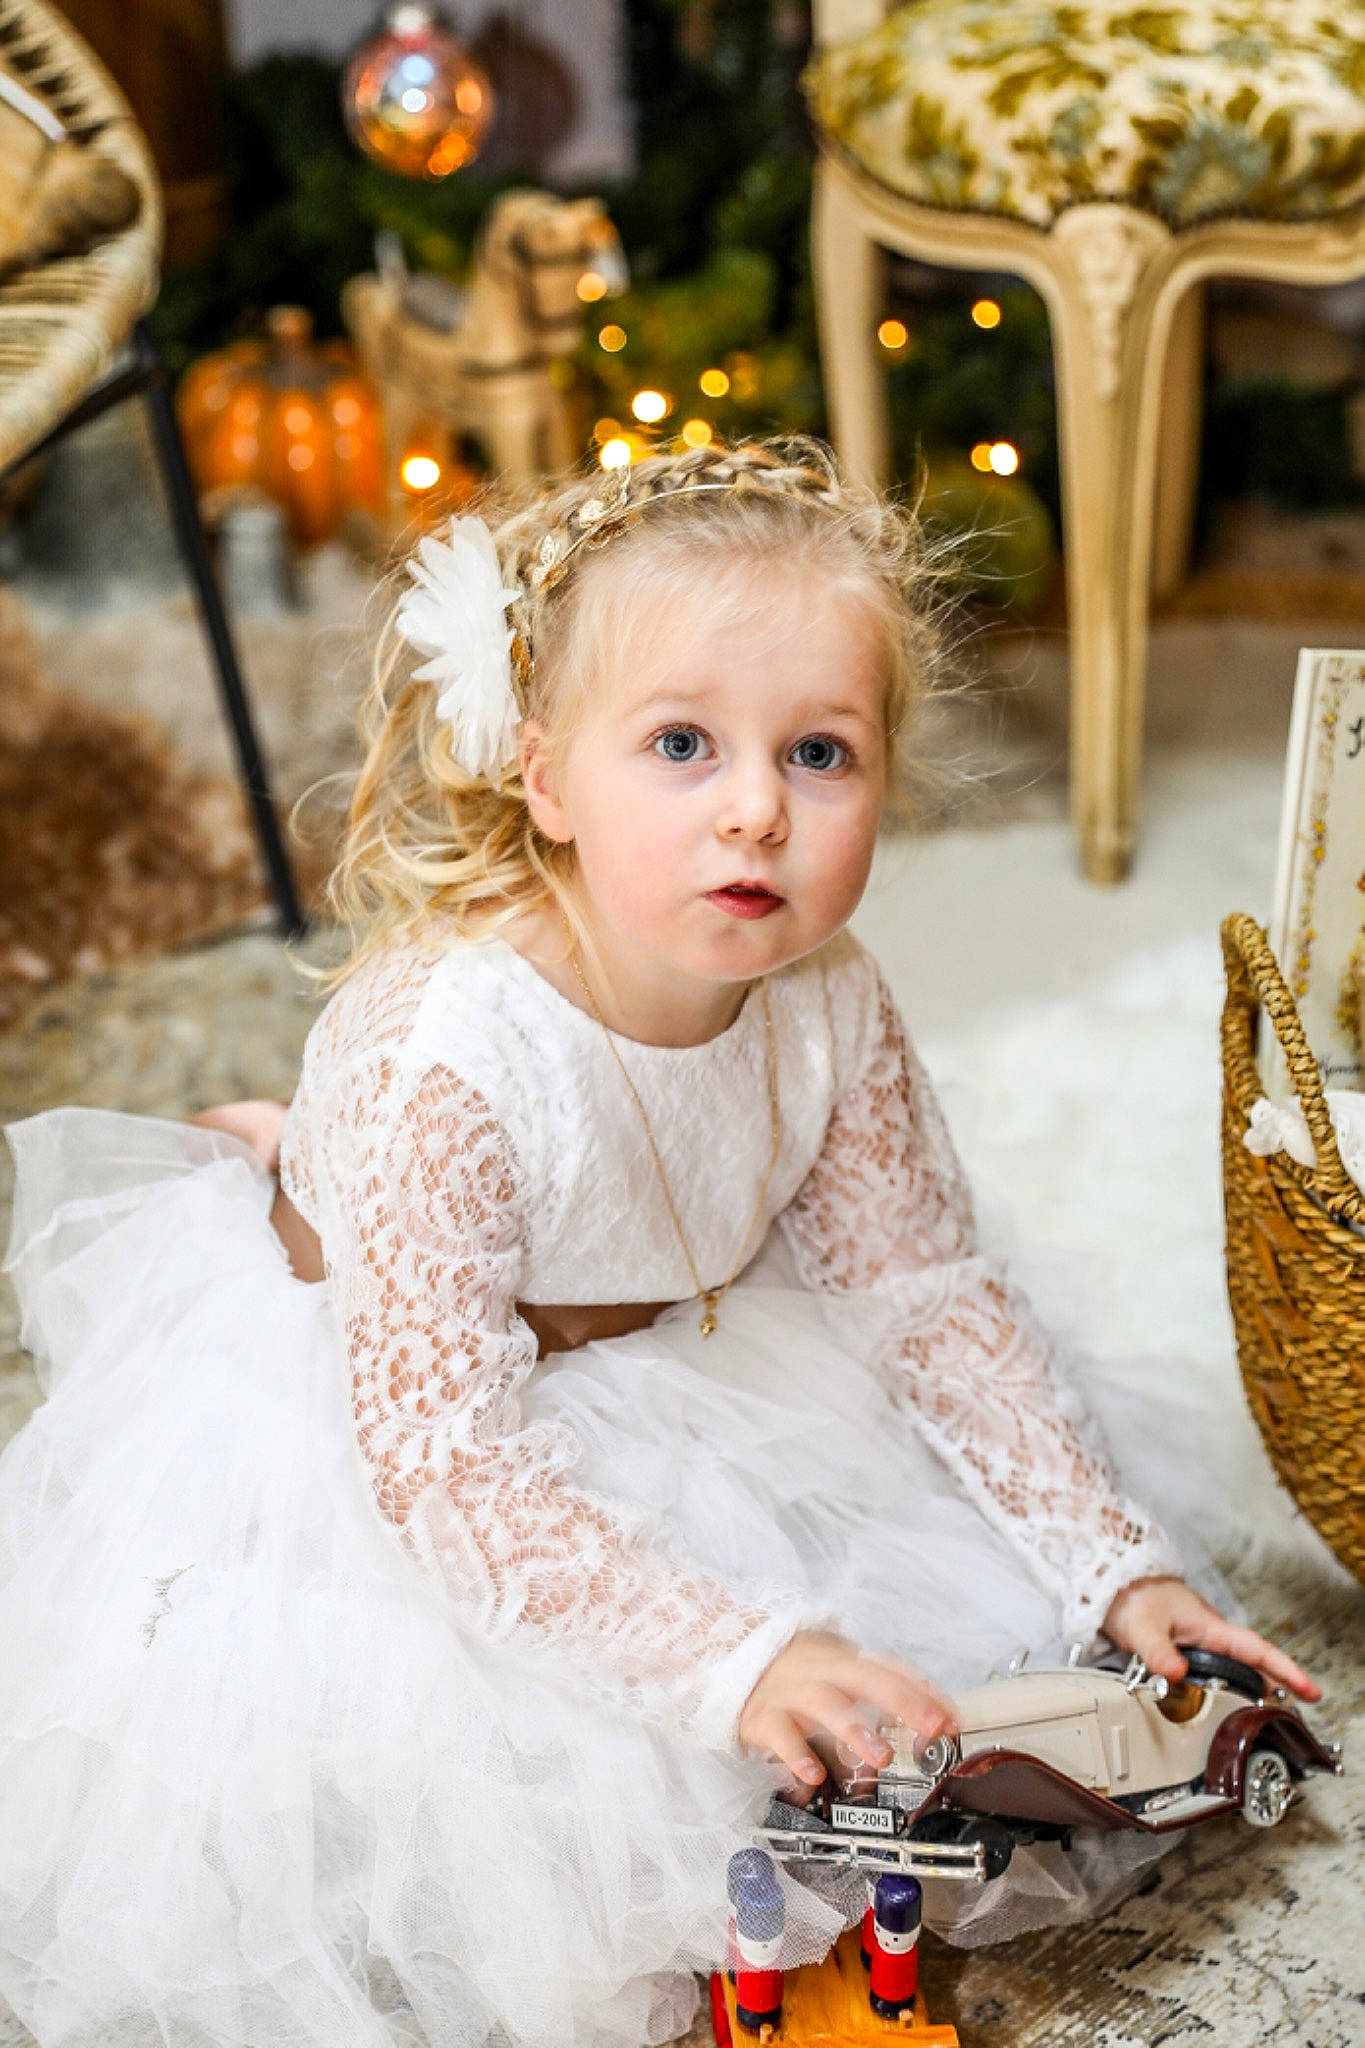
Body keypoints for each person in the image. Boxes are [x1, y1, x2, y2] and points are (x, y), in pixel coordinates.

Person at [0, 439, 1317, 2048]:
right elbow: (445, 1470)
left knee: (959, 1672)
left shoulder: (831, 1002)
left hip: (680, 1323)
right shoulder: (446, 1057)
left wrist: (1114, 1562)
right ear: (544, 776)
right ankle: (279, 1156)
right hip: (430, 1418)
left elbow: (924, 1298)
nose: (758, 809)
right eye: (682, 744)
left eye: (820, 753)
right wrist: (733, 1656)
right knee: (564, 1787)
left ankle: (292, 1140)